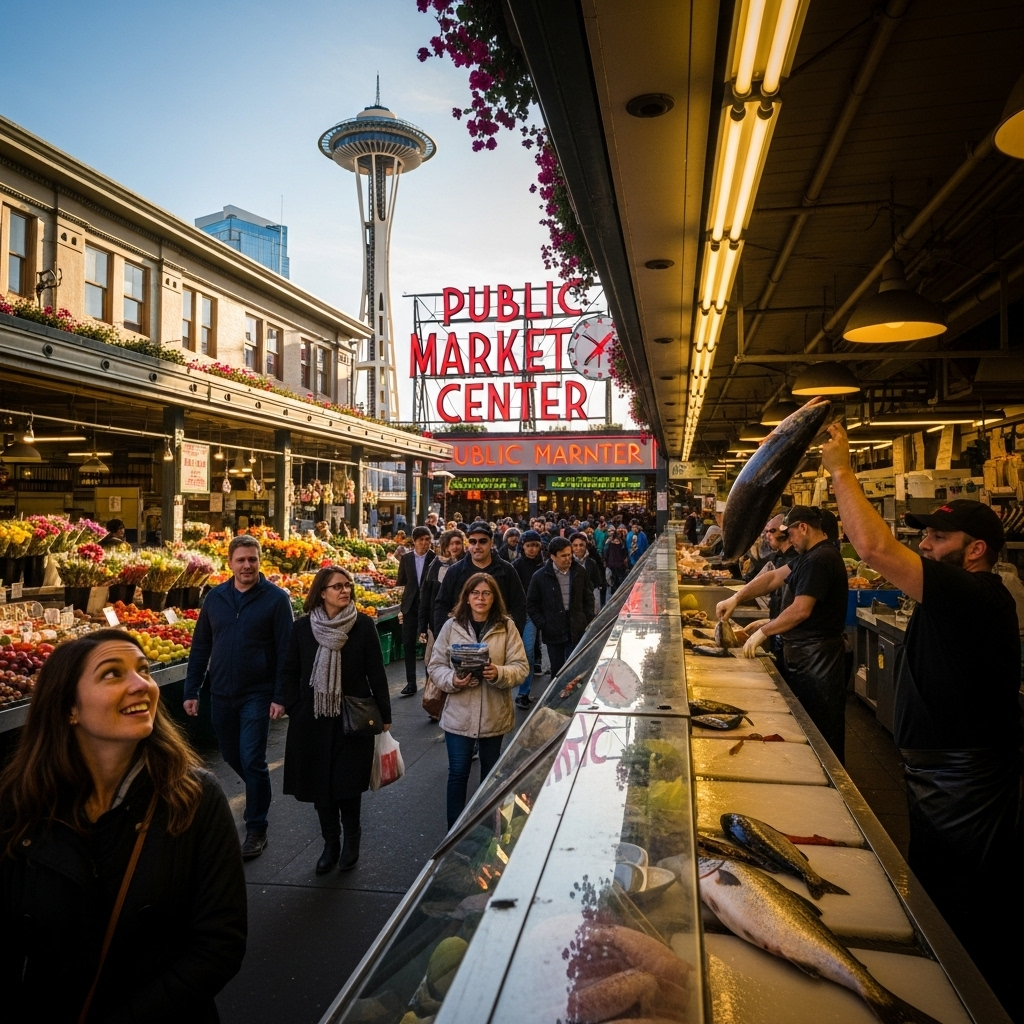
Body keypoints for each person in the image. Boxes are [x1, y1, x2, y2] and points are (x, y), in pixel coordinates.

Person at [821, 419, 1021, 1016]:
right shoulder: (958, 595)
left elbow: (876, 550)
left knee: (965, 917)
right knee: (938, 903)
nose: (926, 548)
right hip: (938, 777)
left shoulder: (977, 594)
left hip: (967, 788)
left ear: (976, 548)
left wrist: (840, 470)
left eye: (936, 539)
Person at [0, 630, 246, 1022]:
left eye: (143, 670)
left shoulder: (195, 799)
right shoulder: (19, 806)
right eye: (112, 674)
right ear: (69, 709)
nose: (141, 685)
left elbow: (219, 944)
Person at [183, 534, 294, 859]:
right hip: (221, 693)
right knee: (233, 755)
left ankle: (256, 827)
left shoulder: (276, 599)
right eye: (241, 560)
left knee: (253, 758)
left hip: (257, 695)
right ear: (229, 563)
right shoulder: (215, 598)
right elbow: (201, 645)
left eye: (252, 559)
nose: (247, 565)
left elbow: (286, 651)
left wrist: (279, 696)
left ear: (259, 561)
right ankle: (260, 790)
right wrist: (192, 689)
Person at [280, 566, 391, 875]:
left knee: (347, 784)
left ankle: (352, 837)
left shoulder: (363, 625)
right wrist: (294, 706)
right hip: (312, 719)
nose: (345, 591)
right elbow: (289, 670)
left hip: (351, 718)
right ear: (322, 592)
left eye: (348, 586)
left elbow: (376, 673)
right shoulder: (302, 628)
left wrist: (384, 715)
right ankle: (331, 843)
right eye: (338, 586)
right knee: (319, 785)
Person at [717, 505, 849, 761]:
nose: (789, 540)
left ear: (803, 527)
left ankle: (831, 793)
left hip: (818, 662)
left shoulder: (821, 559)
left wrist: (764, 631)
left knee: (820, 735)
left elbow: (801, 610)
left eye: (791, 533)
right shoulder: (809, 555)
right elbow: (773, 578)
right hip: (804, 658)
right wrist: (736, 598)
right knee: (804, 731)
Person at [428, 573, 528, 829]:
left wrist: (498, 673)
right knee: (458, 773)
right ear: (467, 597)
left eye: (486, 593)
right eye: (475, 593)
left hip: (495, 714)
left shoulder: (506, 627)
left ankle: (488, 828)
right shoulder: (451, 626)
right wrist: (453, 679)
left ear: (494, 598)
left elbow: (521, 667)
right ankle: (454, 831)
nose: (480, 598)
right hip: (459, 715)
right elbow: (435, 665)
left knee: (490, 776)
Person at [432, 520, 526, 640]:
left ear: (491, 543)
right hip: (461, 639)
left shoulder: (507, 571)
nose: (477, 546)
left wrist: (511, 635)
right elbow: (441, 605)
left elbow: (519, 606)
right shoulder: (455, 571)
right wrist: (445, 636)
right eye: (473, 541)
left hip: (498, 638)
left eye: (482, 541)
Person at [527, 536, 596, 680]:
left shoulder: (579, 573)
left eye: (569, 554)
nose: (568, 558)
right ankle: (555, 700)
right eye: (563, 555)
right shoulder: (540, 577)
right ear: (553, 556)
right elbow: (532, 604)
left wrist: (588, 619)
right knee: (557, 671)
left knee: (575, 670)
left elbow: (588, 598)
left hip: (576, 627)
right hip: (553, 630)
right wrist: (543, 624)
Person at [418, 529, 465, 718]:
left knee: (457, 664)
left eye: (458, 543)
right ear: (445, 545)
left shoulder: (466, 566)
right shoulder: (434, 567)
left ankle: (454, 703)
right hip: (436, 623)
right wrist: (423, 626)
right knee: (434, 662)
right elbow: (426, 598)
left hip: (460, 623)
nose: (454, 547)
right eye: (451, 543)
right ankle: (435, 701)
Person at [396, 526, 436, 697]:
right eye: (421, 540)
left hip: (429, 606)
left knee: (429, 644)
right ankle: (411, 682)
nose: (425, 543)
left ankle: (429, 680)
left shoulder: (435, 559)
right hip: (410, 605)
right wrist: (400, 608)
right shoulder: (406, 559)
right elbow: (402, 582)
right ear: (414, 541)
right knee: (408, 643)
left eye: (427, 539)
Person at [511, 530, 546, 708]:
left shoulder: (544, 566)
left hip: (532, 615)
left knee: (528, 652)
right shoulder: (515, 566)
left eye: (535, 545)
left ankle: (523, 692)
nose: (532, 549)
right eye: (529, 545)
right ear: (522, 546)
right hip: (515, 614)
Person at [571, 533, 604, 610]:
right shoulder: (568, 563)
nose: (578, 548)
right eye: (575, 545)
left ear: (585, 546)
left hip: (589, 600)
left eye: (581, 545)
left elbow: (596, 584)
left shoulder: (591, 563)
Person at [604, 525, 630, 593]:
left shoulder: (615, 546)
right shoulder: (619, 546)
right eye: (615, 542)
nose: (616, 543)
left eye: (617, 542)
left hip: (618, 568)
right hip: (614, 567)